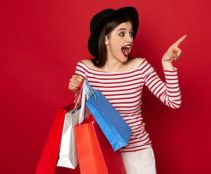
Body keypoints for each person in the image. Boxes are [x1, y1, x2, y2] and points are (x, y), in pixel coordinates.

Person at [68, 6, 186, 174]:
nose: (129, 39)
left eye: (131, 33)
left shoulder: (139, 66)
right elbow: (81, 114)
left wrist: (167, 64)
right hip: (100, 154)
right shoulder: (85, 69)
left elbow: (173, 101)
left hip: (138, 155)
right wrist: (75, 89)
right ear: (106, 39)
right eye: (122, 33)